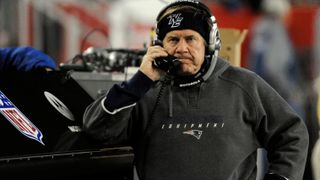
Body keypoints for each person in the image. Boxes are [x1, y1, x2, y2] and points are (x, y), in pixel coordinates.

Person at [83, 1, 309, 179]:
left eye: (191, 38)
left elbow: (292, 134)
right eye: (173, 40)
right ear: (159, 46)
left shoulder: (244, 85)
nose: (181, 48)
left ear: (209, 43)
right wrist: (140, 81)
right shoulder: (145, 89)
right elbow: (97, 130)